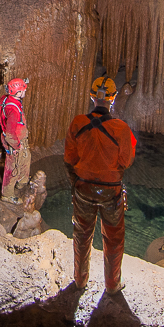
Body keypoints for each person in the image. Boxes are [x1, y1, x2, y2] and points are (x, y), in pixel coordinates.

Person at [64, 76, 137, 294]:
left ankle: (80, 280)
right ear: (113, 99)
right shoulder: (121, 129)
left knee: (82, 235)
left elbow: (69, 158)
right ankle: (112, 285)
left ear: (92, 97)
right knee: (113, 238)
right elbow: (126, 161)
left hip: (83, 189)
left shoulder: (78, 123)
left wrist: (76, 183)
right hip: (110, 192)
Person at [0, 77, 30, 202]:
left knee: (25, 159)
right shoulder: (13, 110)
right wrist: (15, 146)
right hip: (14, 141)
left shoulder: (5, 99)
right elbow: (10, 133)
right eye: (23, 90)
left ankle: (22, 183)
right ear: (18, 92)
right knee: (12, 168)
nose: (25, 92)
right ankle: (8, 194)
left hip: (19, 138)